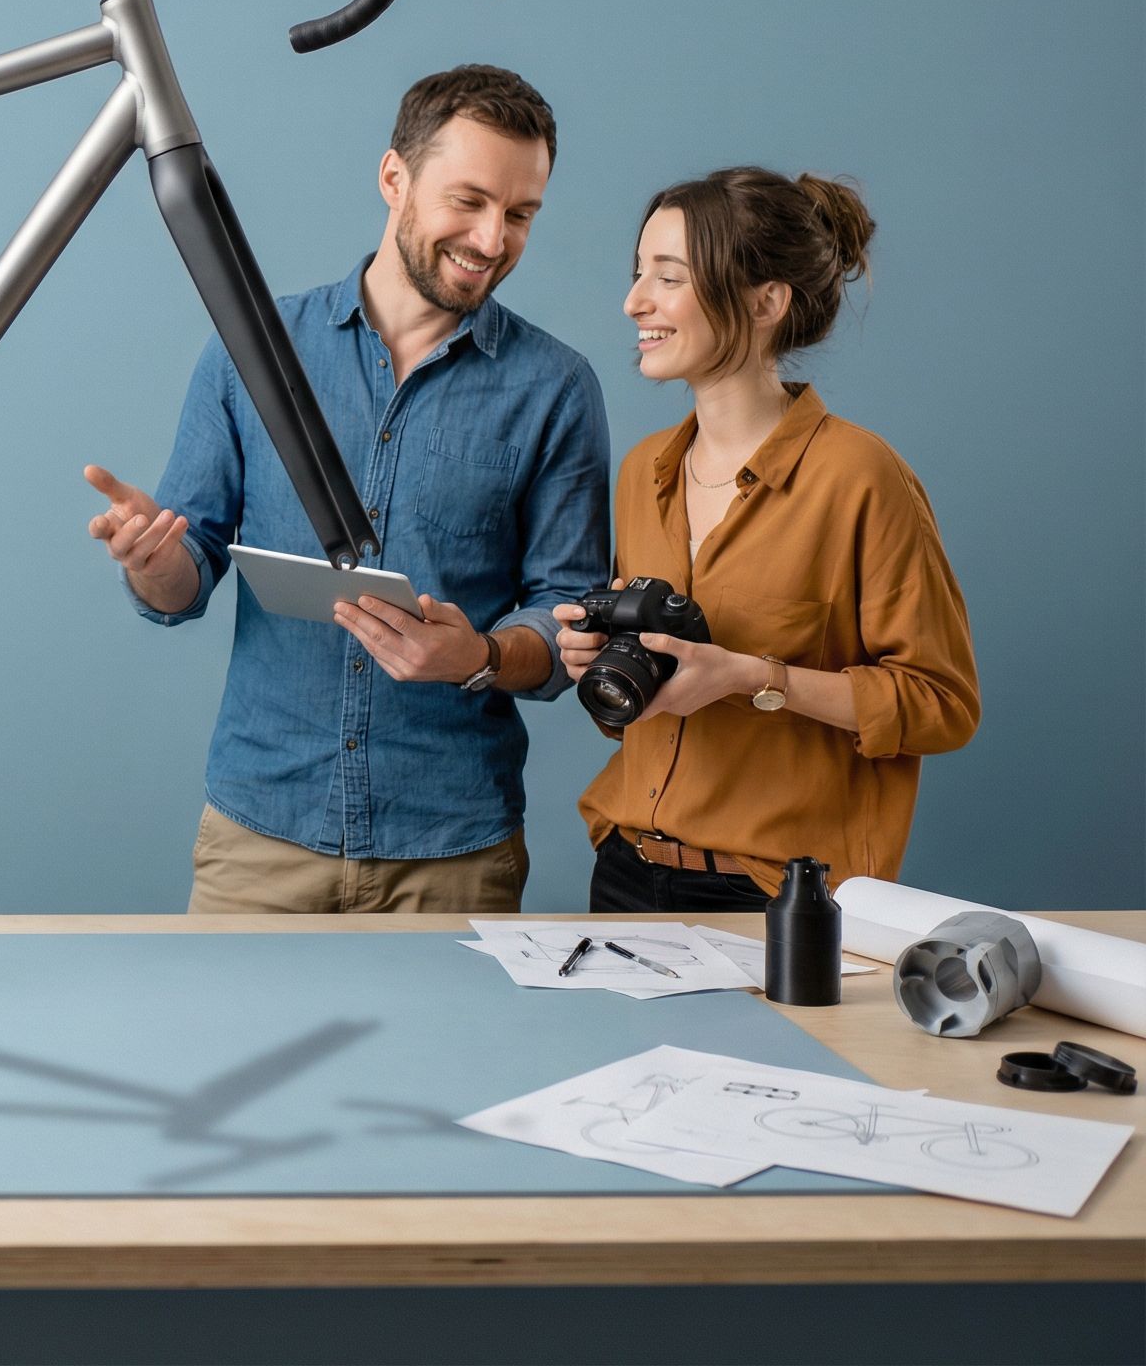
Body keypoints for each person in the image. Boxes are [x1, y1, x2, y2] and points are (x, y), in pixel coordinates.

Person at [85, 66, 609, 914]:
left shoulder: (556, 388)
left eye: (520, 215)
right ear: (393, 178)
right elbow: (187, 576)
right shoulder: (252, 348)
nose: (491, 239)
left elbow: (565, 613)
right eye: (468, 201)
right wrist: (151, 560)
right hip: (261, 835)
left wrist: (476, 656)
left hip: (453, 851)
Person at [556, 168, 980, 912]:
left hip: (776, 895)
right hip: (624, 870)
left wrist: (752, 677)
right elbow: (634, 722)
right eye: (636, 274)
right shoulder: (641, 473)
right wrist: (599, 662)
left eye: (669, 277)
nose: (634, 302)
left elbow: (941, 705)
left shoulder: (860, 477)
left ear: (765, 302)